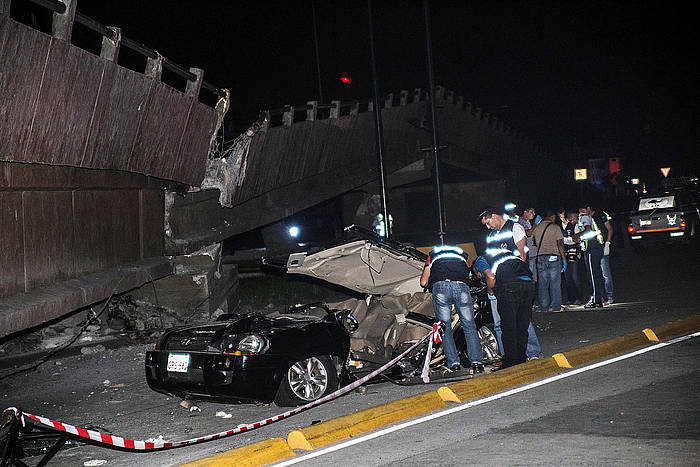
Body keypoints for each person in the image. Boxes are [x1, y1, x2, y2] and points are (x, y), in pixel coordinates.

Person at [478, 207, 535, 368]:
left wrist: (512, 277)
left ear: (494, 216)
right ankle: (517, 358)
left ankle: (519, 358)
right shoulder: (491, 236)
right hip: (515, 282)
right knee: (515, 324)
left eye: (488, 222)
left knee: (512, 325)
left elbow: (522, 255)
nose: (488, 227)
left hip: (511, 282)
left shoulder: (515, 227)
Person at [419, 245, 484, 374]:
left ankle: (454, 364)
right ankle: (477, 363)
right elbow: (469, 275)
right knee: (469, 325)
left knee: (445, 328)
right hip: (461, 287)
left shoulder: (433, 254)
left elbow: (423, 282)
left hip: (441, 287)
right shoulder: (462, 254)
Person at [473, 256, 541, 360]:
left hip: (509, 286)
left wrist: (491, 293)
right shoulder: (507, 254)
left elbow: (490, 277)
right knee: (522, 325)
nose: (479, 276)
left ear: (476, 269)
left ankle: (511, 360)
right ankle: (528, 355)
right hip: (528, 285)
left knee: (506, 326)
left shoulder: (480, 260)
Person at [531, 209, 567, 312]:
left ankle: (544, 307)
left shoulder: (537, 228)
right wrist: (564, 258)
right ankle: (556, 306)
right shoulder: (555, 227)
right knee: (555, 283)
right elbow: (560, 243)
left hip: (540, 257)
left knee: (543, 284)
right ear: (552, 217)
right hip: (554, 257)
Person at [574, 204, 605, 309]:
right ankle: (598, 298)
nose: (581, 212)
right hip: (595, 248)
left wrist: (577, 235)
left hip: (592, 249)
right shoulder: (589, 217)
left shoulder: (584, 217)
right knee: (595, 274)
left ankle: (596, 300)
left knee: (593, 275)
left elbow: (588, 229)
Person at [562, 210, 584, 305]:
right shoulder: (565, 226)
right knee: (568, 278)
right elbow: (563, 240)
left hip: (574, 254)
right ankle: (571, 298)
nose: (577, 219)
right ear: (570, 217)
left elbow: (577, 240)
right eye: (576, 217)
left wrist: (568, 240)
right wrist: (569, 240)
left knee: (575, 276)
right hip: (566, 254)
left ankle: (579, 297)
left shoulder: (577, 227)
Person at [516, 207, 538, 281]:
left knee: (534, 275)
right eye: (531, 212)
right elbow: (527, 233)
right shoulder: (520, 222)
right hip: (527, 253)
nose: (534, 214)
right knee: (530, 276)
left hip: (532, 252)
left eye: (534, 212)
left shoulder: (527, 222)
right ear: (525, 212)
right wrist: (535, 225)